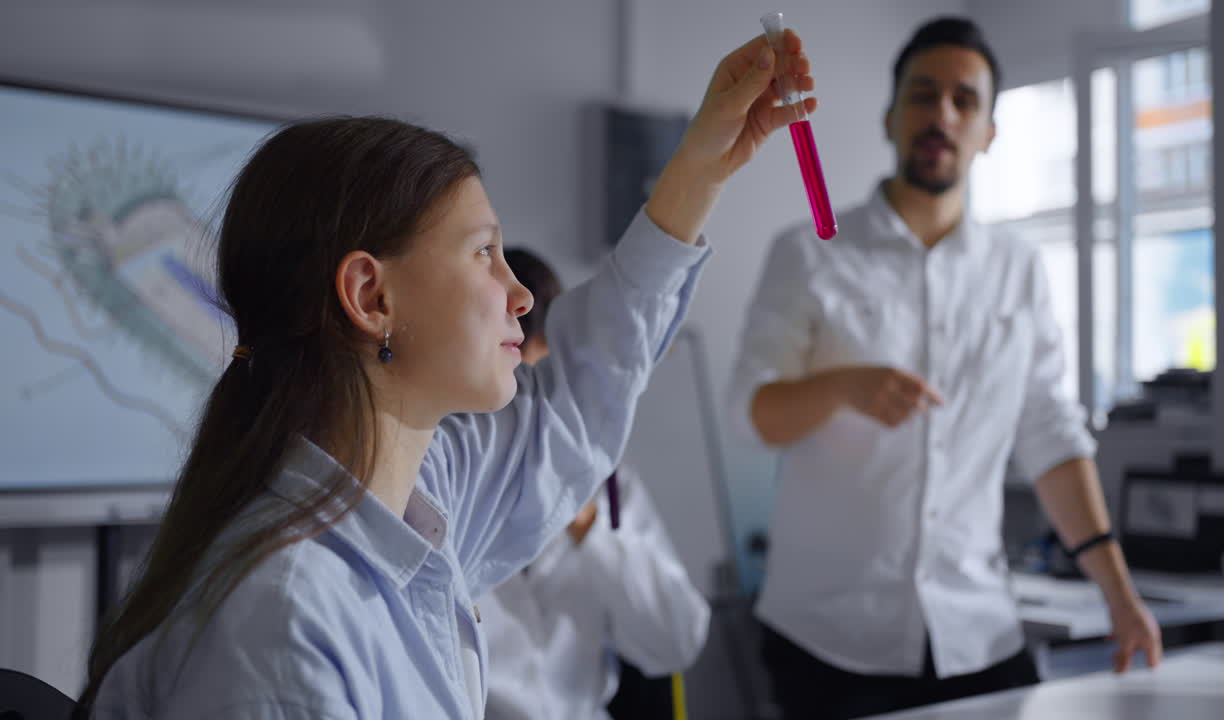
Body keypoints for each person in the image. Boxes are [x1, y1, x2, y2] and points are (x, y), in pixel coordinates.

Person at [79, 29, 817, 719]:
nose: (522, 296)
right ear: (372, 296)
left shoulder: (424, 493)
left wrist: (702, 165)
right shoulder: (284, 620)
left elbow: (579, 398)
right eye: (483, 254)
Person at [728, 17, 1162, 720]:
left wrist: (1120, 595)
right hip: (831, 640)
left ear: (989, 131)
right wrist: (843, 386)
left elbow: (1052, 435)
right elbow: (750, 412)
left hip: (977, 634)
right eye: (924, 96)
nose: (942, 114)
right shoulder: (809, 254)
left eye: (965, 101)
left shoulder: (1018, 272)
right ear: (890, 116)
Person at [477, 248, 710, 720]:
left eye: (542, 390)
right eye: (512, 395)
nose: (529, 417)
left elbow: (676, 641)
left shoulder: (606, 482)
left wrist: (586, 525)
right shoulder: (437, 486)